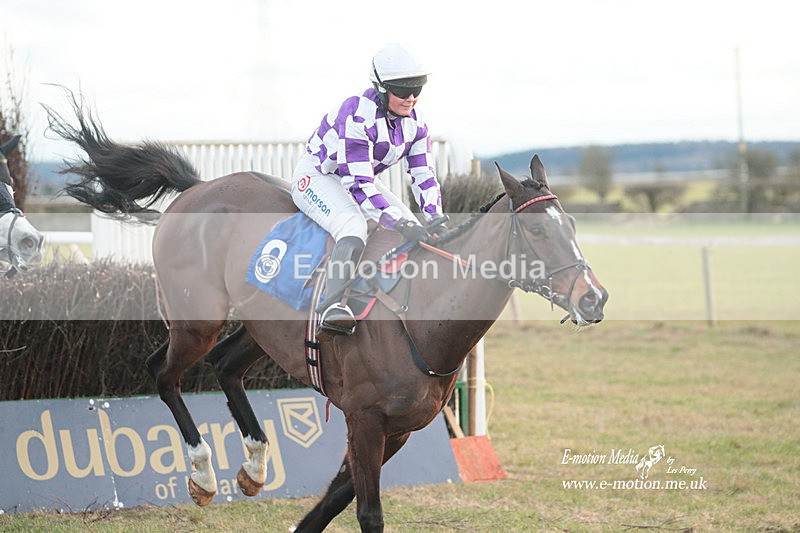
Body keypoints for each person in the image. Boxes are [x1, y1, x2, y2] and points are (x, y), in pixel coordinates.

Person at [291, 42, 446, 338]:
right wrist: (396, 220)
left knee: (413, 227)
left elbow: (423, 174)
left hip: (356, 177)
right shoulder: (357, 114)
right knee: (353, 225)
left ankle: (380, 290)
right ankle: (332, 306)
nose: (411, 97)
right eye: (402, 90)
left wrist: (434, 217)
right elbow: (358, 184)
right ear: (380, 86)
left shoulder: (417, 123)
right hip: (319, 176)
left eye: (417, 89)